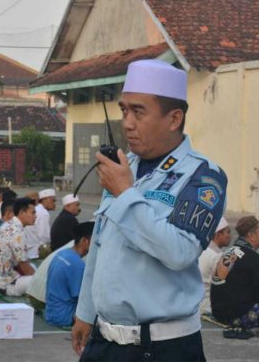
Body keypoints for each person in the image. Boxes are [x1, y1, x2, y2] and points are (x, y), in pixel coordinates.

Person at [72, 59, 227, 361]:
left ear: (173, 118)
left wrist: (125, 194)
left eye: (139, 112)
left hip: (162, 347)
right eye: (124, 110)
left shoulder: (203, 177)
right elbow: (101, 245)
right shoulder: (124, 166)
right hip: (104, 342)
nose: (127, 122)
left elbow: (180, 251)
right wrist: (85, 312)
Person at [211, 216, 259, 331]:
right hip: (237, 317)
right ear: (251, 235)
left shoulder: (229, 251)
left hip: (218, 313)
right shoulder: (255, 259)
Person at [0, 198, 37, 296]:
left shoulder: (8, 224)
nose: (36, 216)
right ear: (21, 213)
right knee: (40, 281)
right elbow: (24, 266)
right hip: (3, 286)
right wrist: (38, 278)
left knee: (34, 269)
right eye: (33, 213)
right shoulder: (18, 233)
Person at [45, 221, 93, 327]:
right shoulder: (78, 265)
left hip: (50, 312)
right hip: (65, 316)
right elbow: (82, 299)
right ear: (85, 241)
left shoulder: (61, 254)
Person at [198, 217, 231, 314]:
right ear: (218, 234)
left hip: (194, 303)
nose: (230, 236)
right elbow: (223, 287)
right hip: (208, 306)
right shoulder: (217, 256)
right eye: (227, 232)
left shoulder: (199, 249)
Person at [24, 189, 56, 259]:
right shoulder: (43, 213)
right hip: (35, 252)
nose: (54, 204)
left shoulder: (36, 209)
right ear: (44, 200)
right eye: (52, 201)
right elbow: (44, 236)